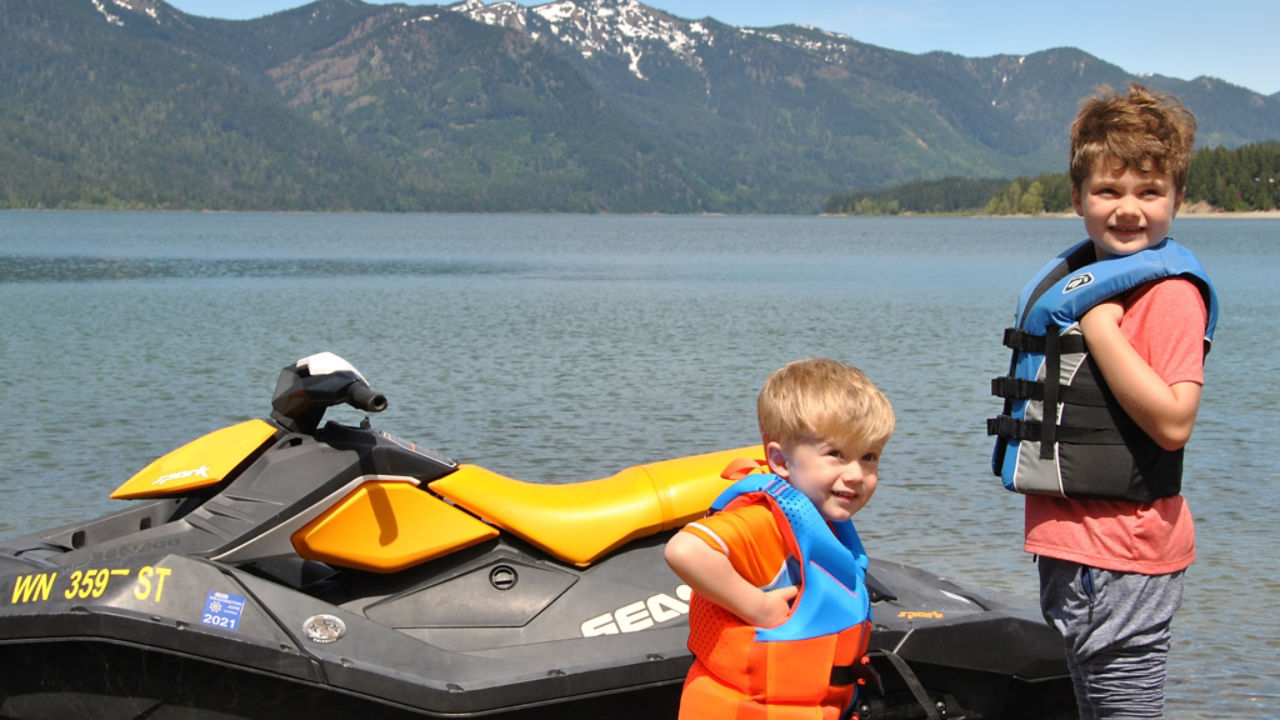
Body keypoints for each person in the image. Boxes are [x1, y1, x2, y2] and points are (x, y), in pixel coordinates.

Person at [988, 84, 1217, 719]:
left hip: (1122, 559)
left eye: (1150, 192)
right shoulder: (1085, 279)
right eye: (1109, 191)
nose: (1129, 209)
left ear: (1177, 198)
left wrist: (1100, 328)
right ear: (1077, 197)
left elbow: (1174, 422)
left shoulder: (1166, 296)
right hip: (1080, 553)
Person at [665, 357, 894, 720]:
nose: (856, 474)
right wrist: (759, 608)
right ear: (781, 461)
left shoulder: (823, 523)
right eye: (835, 454)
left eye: (869, 457)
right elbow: (685, 550)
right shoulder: (764, 521)